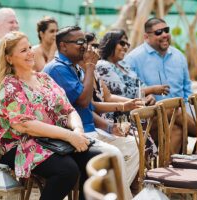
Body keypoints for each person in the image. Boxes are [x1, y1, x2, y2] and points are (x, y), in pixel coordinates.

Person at [0, 31, 101, 200]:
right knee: (67, 170)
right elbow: (26, 125)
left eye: (29, 47)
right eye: (23, 50)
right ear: (9, 58)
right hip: (18, 145)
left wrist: (78, 131)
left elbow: (69, 110)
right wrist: (69, 136)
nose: (30, 52)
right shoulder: (9, 86)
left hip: (51, 141)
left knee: (95, 159)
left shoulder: (44, 79)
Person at [43, 26, 138, 195]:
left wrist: (109, 127)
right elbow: (83, 100)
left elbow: (89, 106)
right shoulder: (57, 69)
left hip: (91, 130)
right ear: (63, 46)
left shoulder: (75, 67)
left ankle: (105, 195)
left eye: (85, 42)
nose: (85, 46)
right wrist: (90, 66)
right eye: (79, 42)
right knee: (114, 154)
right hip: (74, 133)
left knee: (133, 145)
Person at [125, 17, 197, 151]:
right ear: (146, 36)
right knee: (174, 109)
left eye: (166, 30)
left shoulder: (179, 56)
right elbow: (130, 90)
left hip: (180, 119)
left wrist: (189, 117)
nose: (165, 34)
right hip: (149, 120)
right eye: (158, 32)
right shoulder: (133, 59)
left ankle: (173, 167)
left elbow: (187, 91)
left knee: (177, 128)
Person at [96, 30, 169, 122]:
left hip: (139, 109)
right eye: (122, 43)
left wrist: (150, 95)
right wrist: (152, 90)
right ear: (110, 44)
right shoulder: (103, 65)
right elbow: (122, 93)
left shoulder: (123, 65)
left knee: (176, 130)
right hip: (121, 115)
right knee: (173, 112)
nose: (125, 47)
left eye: (127, 44)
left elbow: (140, 84)